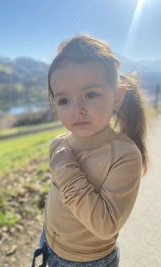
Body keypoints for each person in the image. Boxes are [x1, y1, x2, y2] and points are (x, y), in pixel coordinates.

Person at [31, 34, 148, 267]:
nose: (78, 109)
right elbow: (60, 197)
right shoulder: (58, 144)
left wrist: (66, 170)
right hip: (49, 243)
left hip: (87, 261)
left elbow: (106, 225)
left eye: (91, 94)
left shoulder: (124, 155)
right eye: (64, 100)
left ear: (117, 97)